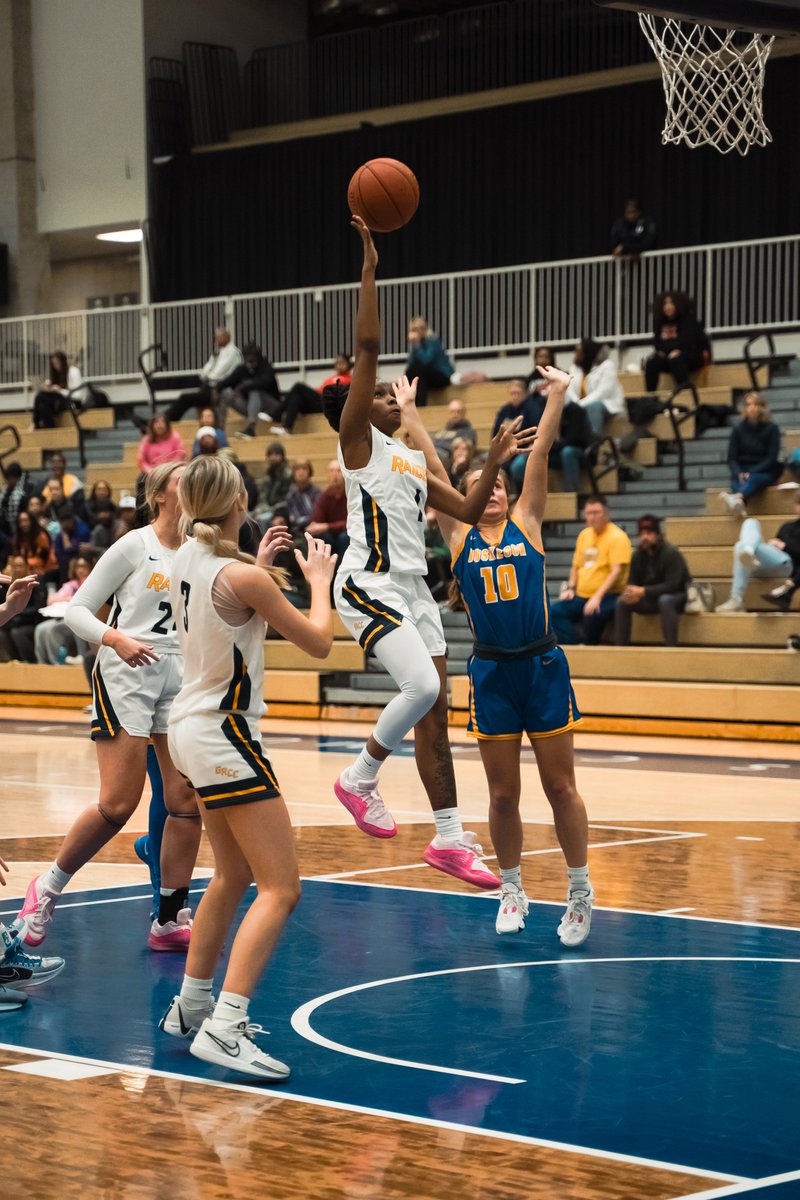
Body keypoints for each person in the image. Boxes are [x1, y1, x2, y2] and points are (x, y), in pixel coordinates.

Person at [325, 215, 534, 886]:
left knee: (435, 711)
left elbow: (469, 513)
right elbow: (366, 347)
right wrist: (368, 268)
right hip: (370, 582)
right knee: (421, 686)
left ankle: (447, 839)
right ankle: (359, 778)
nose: (390, 393)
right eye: (380, 390)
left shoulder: (411, 461)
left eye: (390, 392)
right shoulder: (356, 443)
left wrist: (499, 456)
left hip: (414, 588)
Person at [403, 364, 594, 944]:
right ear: (473, 496)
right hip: (490, 673)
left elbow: (537, 459)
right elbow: (434, 468)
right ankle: (512, 886)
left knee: (561, 787)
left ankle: (580, 890)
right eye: (489, 489)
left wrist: (557, 394)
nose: (498, 495)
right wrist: (411, 415)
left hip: (541, 666)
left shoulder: (528, 524)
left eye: (503, 489)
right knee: (503, 794)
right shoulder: (458, 536)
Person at [159, 453, 336, 1079]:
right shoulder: (242, 577)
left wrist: (256, 566)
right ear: (237, 502)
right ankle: (226, 1027)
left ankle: (191, 1005)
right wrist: (317, 578)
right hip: (223, 732)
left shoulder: (187, 559)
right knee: (282, 888)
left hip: (188, 727)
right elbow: (319, 641)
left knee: (231, 875)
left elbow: (225, 603)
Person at [17, 463, 202, 954]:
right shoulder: (133, 546)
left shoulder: (203, 548)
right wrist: (114, 638)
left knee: (186, 805)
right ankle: (46, 889)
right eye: (185, 479)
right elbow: (77, 609)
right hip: (128, 672)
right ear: (161, 493)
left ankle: (168, 917)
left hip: (181, 674)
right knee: (119, 803)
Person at [551, 496, 632, 645]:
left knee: (592, 613)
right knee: (552, 612)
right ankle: (577, 643)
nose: (592, 517)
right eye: (589, 513)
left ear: (606, 514)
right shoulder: (584, 535)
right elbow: (576, 566)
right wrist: (570, 588)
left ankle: (590, 645)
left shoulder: (618, 537)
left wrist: (597, 597)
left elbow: (616, 572)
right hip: (581, 595)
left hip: (609, 594)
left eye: (596, 512)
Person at [716, 490, 800, 613]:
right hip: (766, 564)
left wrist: (784, 546)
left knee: (740, 546)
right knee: (750, 523)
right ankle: (749, 551)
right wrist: (774, 545)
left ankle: (736, 598)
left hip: (788, 566)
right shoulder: (787, 526)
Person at [614, 515, 691, 645]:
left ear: (658, 535)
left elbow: (674, 585)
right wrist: (631, 592)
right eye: (642, 534)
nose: (645, 537)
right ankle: (621, 647)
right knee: (622, 601)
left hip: (678, 597)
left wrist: (644, 591)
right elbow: (632, 580)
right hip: (651, 598)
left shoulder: (671, 553)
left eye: (649, 533)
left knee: (665, 600)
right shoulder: (637, 555)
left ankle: (671, 647)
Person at [718, 392, 782, 516]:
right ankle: (739, 500)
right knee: (737, 481)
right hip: (743, 470)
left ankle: (738, 497)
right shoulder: (738, 429)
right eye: (749, 405)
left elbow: (771, 458)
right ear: (744, 408)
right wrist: (739, 472)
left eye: (756, 404)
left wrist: (751, 472)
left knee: (753, 479)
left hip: (764, 470)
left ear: (762, 408)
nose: (753, 408)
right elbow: (732, 458)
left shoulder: (772, 428)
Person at [167, 327, 243, 423]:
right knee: (186, 397)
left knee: (185, 398)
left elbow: (217, 374)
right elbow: (203, 373)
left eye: (219, 336)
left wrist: (208, 376)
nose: (216, 339)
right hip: (209, 387)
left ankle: (167, 420)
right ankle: (164, 418)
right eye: (216, 337)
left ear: (228, 337)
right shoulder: (217, 353)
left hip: (220, 390)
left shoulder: (233, 352)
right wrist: (208, 375)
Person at [34, 554, 93, 664]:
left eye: (84, 566)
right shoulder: (71, 584)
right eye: (78, 566)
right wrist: (68, 599)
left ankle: (58, 662)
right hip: (63, 617)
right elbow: (51, 600)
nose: (80, 569)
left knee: (54, 629)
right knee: (41, 628)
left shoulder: (92, 583)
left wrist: (68, 600)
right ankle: (42, 663)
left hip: (86, 618)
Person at [644, 292, 708, 394]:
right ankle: (650, 395)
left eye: (671, 303)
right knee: (652, 361)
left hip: (693, 355)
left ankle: (685, 392)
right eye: (665, 304)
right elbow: (657, 343)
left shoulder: (688, 319)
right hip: (669, 355)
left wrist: (674, 350)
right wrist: (663, 352)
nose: (667, 307)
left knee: (676, 359)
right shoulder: (659, 321)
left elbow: (687, 342)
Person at [276, 353, 353, 436]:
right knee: (296, 398)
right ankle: (287, 428)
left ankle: (276, 413)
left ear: (348, 364)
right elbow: (319, 390)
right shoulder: (331, 378)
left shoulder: (350, 380)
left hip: (327, 404)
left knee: (298, 386)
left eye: (342, 363)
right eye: (337, 363)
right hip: (318, 400)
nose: (340, 365)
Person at [218, 343, 282, 438]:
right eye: (247, 357)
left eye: (253, 357)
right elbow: (224, 383)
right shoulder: (241, 369)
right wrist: (216, 391)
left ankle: (251, 428)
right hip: (251, 408)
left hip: (271, 407)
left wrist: (243, 386)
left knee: (254, 391)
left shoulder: (266, 368)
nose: (250, 360)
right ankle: (219, 429)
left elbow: (264, 383)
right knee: (225, 393)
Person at [491, 379, 543, 491]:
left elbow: (538, 430)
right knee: (486, 461)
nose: (514, 396)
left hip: (525, 449)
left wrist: (532, 446)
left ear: (525, 394)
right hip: (505, 449)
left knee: (517, 466)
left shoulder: (532, 407)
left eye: (517, 393)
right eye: (512, 393)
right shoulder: (505, 410)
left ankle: (522, 494)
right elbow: (495, 433)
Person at [567, 339, 625, 436]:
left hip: (607, 405)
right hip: (581, 404)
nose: (576, 355)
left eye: (579, 352)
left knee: (594, 406)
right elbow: (569, 387)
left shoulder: (607, 365)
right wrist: (577, 403)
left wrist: (580, 405)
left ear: (587, 352)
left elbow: (602, 393)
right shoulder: (574, 368)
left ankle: (594, 441)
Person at [0, 555, 46, 663]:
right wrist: (9, 609)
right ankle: (13, 661)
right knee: (2, 633)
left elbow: (38, 607)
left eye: (20, 566)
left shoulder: (34, 582)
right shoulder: (5, 583)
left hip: (29, 621)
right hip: (12, 621)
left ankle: (28, 661)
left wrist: (14, 611)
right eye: (15, 566)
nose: (17, 569)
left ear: (27, 567)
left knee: (16, 632)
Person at [405, 316, 455, 407]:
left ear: (424, 329)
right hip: (427, 378)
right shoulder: (418, 344)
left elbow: (427, 360)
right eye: (412, 330)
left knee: (421, 370)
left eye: (416, 329)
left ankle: (420, 405)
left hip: (442, 375)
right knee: (411, 371)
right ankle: (414, 404)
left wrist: (416, 344)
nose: (415, 332)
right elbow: (411, 364)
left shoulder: (433, 341)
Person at [549, 398, 595, 493]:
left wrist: (549, 448)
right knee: (535, 455)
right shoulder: (550, 412)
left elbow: (573, 439)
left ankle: (571, 491)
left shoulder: (576, 410)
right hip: (559, 449)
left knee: (568, 452)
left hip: (583, 451)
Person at [306, 461, 349, 559]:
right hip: (331, 536)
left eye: (338, 471)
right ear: (327, 475)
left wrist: (327, 526)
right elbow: (317, 521)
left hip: (347, 534)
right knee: (321, 538)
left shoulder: (351, 495)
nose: (335, 475)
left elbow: (351, 523)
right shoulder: (324, 496)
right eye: (331, 471)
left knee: (344, 537)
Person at [32, 352, 83, 429]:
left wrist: (60, 390)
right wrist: (47, 388)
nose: (55, 366)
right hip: (58, 401)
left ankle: (36, 424)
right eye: (53, 364)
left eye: (57, 363)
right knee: (41, 401)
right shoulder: (56, 374)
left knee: (42, 399)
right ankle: (48, 427)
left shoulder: (73, 371)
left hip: (72, 402)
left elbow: (77, 395)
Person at [254, 443, 293, 529]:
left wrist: (271, 510)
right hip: (267, 509)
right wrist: (261, 509)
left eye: (276, 454)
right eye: (270, 454)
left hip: (282, 510)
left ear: (282, 456)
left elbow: (288, 499)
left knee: (264, 520)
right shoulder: (267, 474)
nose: (273, 457)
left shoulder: (288, 474)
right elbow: (262, 496)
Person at [285, 460, 321, 539]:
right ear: (294, 473)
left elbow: (317, 514)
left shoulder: (317, 492)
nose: (301, 472)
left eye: (304, 469)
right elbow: (294, 518)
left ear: (309, 472)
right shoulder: (291, 494)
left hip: (315, 528)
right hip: (298, 530)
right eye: (297, 469)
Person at [13, 509, 54, 574]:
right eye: (21, 521)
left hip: (43, 571)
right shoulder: (18, 537)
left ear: (31, 521)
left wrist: (24, 563)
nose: (23, 524)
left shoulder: (41, 536)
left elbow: (43, 559)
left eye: (26, 521)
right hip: (23, 570)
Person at [0, 463, 31, 536]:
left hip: (16, 529)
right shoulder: (3, 493)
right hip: (3, 528)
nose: (9, 481)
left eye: (11, 478)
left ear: (17, 478)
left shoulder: (22, 496)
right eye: (8, 478)